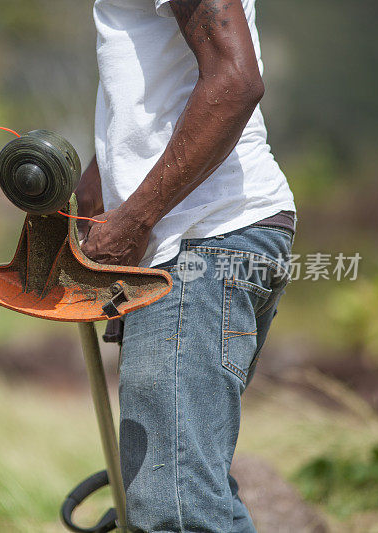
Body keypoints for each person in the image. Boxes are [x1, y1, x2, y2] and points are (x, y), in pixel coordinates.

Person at [77, 0, 296, 531]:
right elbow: (153, 104)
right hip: (199, 243)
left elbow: (236, 81)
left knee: (179, 509)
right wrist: (94, 196)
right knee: (185, 487)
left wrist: (134, 223)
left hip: (202, 241)